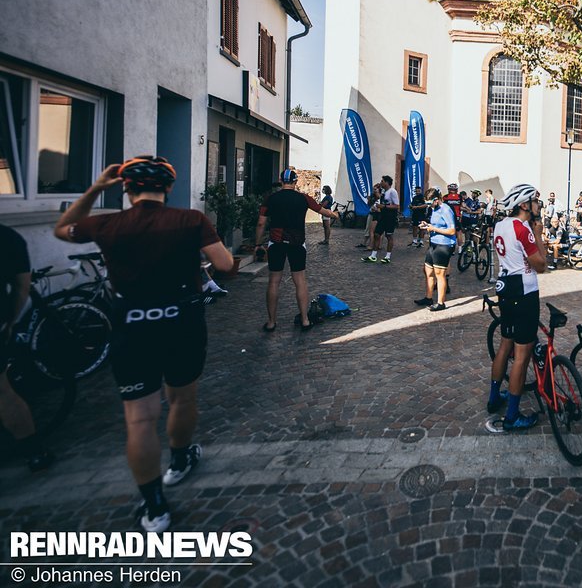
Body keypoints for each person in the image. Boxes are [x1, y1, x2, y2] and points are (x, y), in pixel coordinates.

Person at [53, 156, 233, 532]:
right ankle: (181, 459)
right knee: (182, 397)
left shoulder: (109, 223)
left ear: (127, 188)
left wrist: (96, 189)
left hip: (131, 325)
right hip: (181, 320)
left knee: (139, 418)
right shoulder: (190, 220)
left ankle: (154, 506)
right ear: (167, 187)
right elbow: (227, 263)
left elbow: (63, 228)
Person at [486, 184, 547, 432]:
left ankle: (493, 397)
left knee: (505, 343)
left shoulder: (500, 225)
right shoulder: (523, 228)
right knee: (522, 355)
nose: (538, 206)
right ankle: (512, 416)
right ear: (524, 205)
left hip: (506, 285)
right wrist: (539, 235)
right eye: (535, 201)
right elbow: (541, 265)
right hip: (524, 290)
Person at [0, 223, 54, 472]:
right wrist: (10, 321)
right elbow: (22, 287)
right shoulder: (8, 237)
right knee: (3, 391)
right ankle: (34, 451)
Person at [257, 169, 337, 331]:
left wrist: (258, 244)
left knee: (274, 281)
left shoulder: (270, 199)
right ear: (295, 182)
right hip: (297, 242)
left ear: (281, 180)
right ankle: (305, 320)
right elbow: (322, 211)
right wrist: (335, 215)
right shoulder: (303, 198)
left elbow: (261, 223)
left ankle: (271, 322)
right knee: (300, 281)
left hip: (276, 241)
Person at [415, 188, 456, 311]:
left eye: (429, 203)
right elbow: (436, 224)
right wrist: (426, 225)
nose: (428, 206)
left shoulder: (446, 210)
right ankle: (428, 297)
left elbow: (452, 230)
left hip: (444, 244)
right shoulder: (434, 209)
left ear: (436, 200)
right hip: (434, 243)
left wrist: (433, 229)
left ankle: (441, 302)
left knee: (440, 274)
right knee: (427, 271)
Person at [364, 176, 399, 263]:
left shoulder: (393, 192)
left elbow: (396, 206)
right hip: (382, 216)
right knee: (377, 234)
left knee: (389, 236)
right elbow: (381, 198)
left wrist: (384, 206)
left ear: (387, 182)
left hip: (390, 217)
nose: (381, 182)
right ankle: (373, 255)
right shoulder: (384, 191)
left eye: (382, 181)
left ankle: (387, 256)